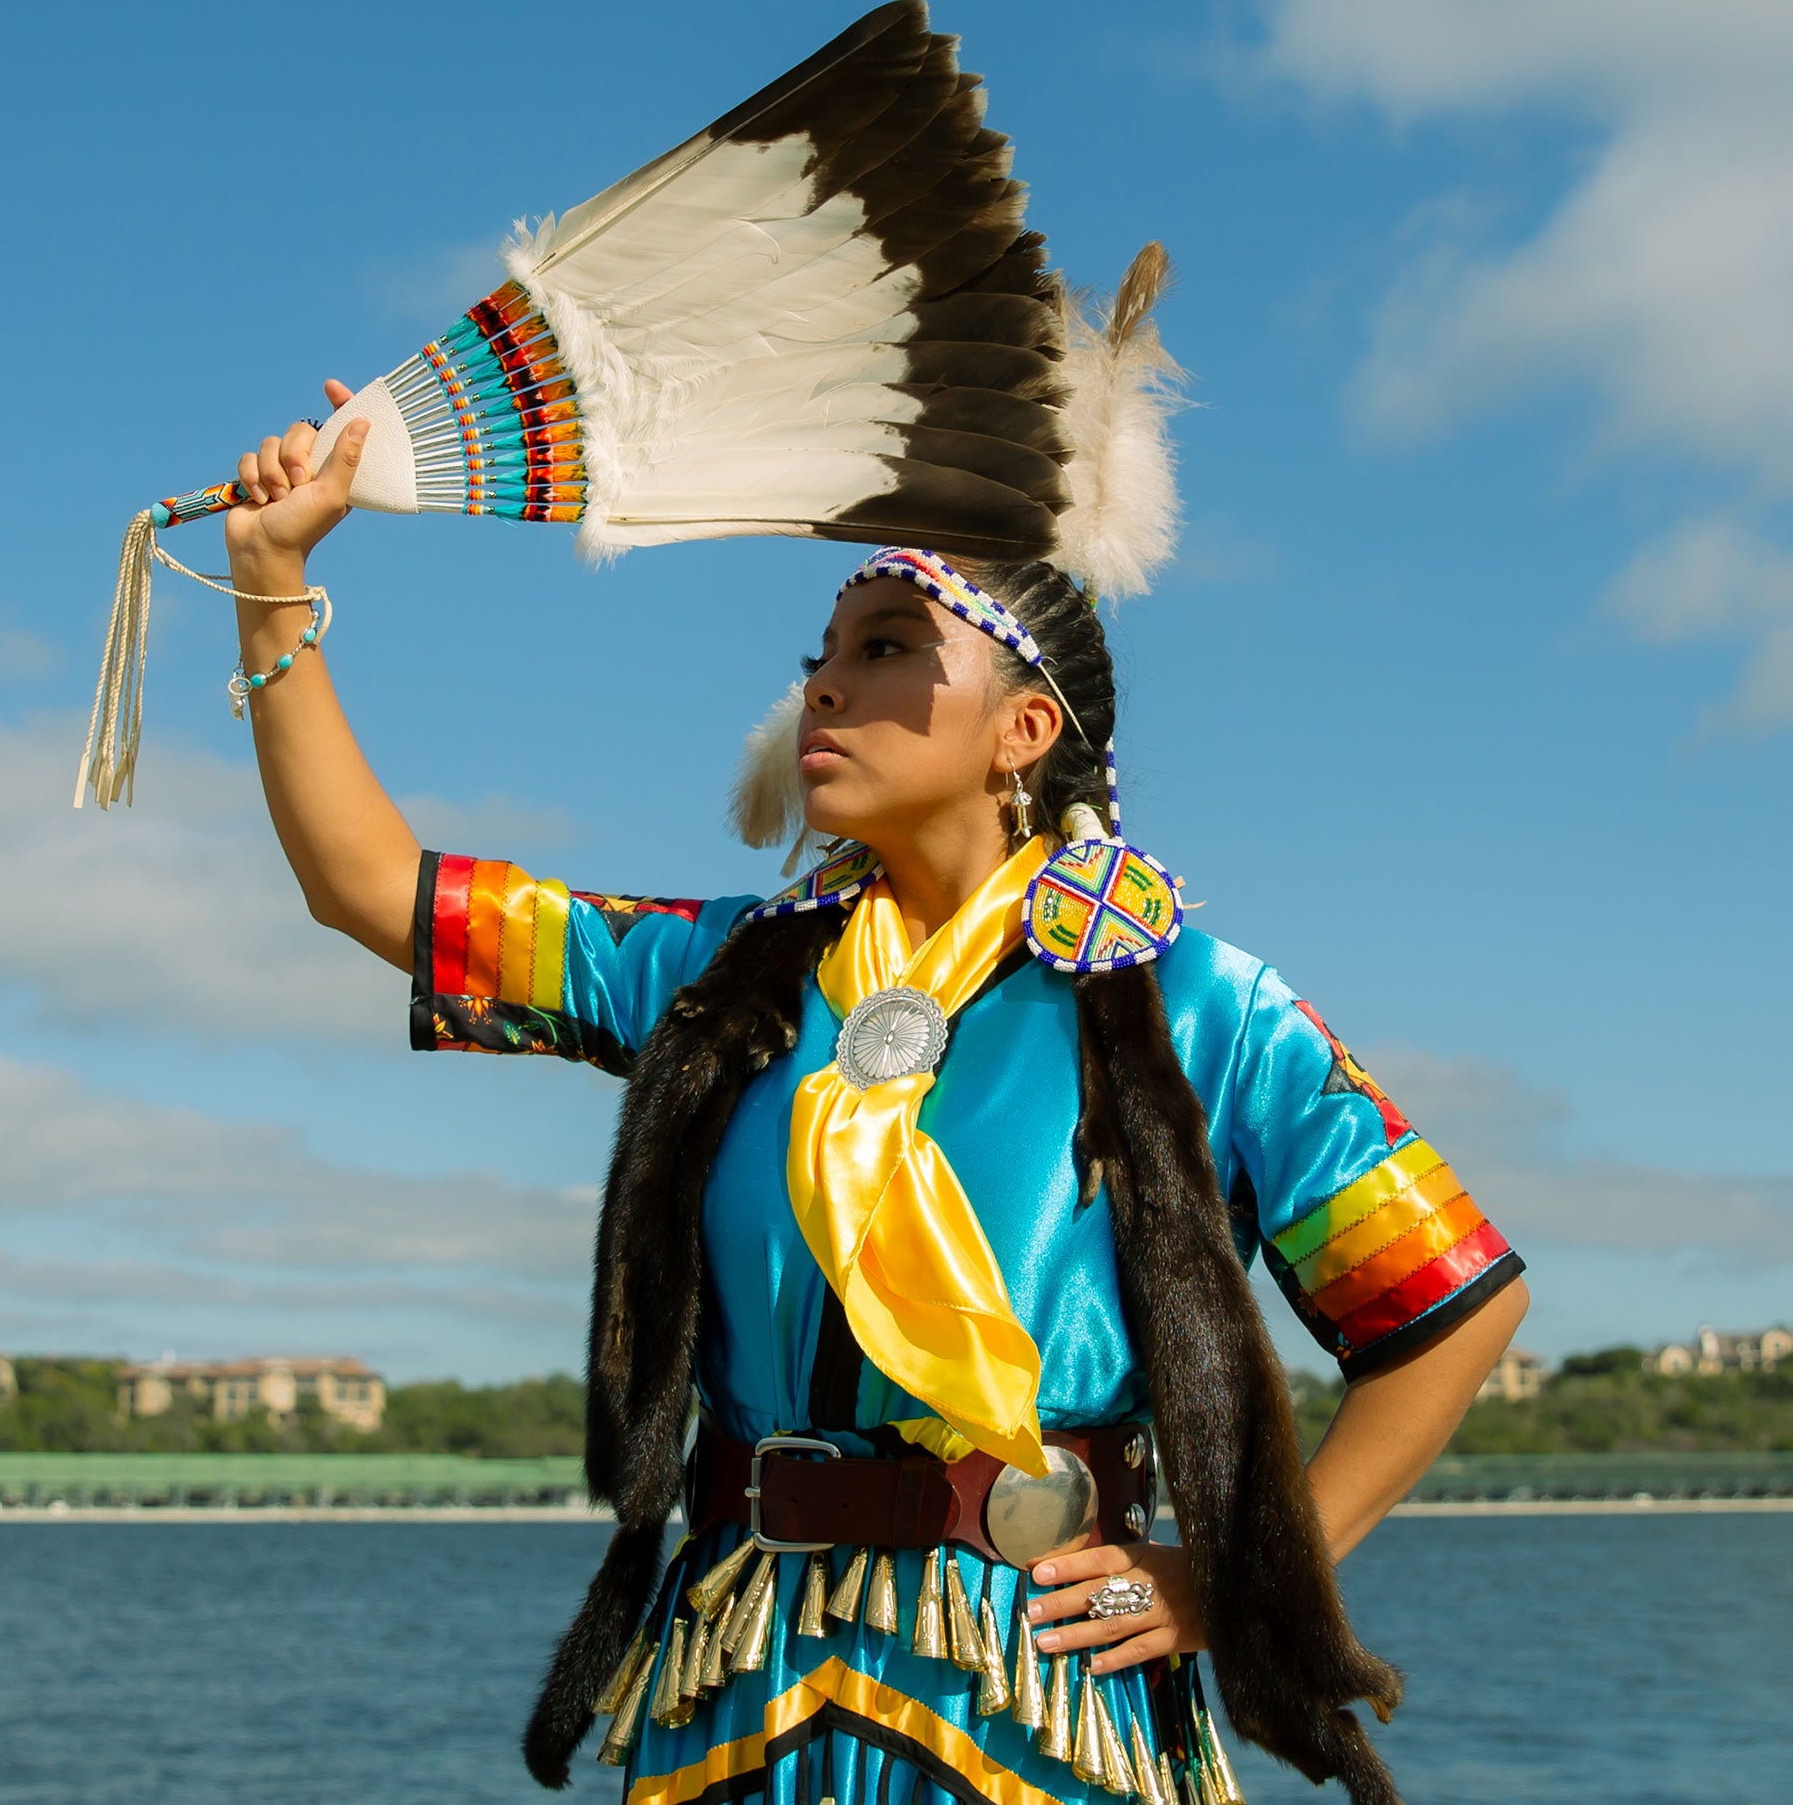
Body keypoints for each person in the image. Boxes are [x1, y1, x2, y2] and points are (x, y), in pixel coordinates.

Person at [221, 380, 1526, 1805]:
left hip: (1044, 1691)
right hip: (738, 1676)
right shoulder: (720, 977)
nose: (820, 687)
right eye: (822, 653)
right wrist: (273, 579)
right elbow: (373, 893)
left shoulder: (1194, 1004)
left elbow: (1447, 1308)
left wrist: (1235, 1575)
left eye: (887, 647)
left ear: (1023, 728)